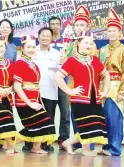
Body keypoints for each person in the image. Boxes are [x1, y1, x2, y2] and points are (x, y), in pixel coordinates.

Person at [55, 31, 110, 156]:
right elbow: (58, 77)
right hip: (79, 99)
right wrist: (70, 91)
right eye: (86, 42)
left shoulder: (95, 60)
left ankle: (68, 143)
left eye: (91, 43)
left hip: (94, 98)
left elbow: (106, 76)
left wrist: (105, 91)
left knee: (94, 125)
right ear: (78, 43)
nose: (89, 45)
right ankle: (85, 149)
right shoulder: (72, 60)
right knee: (86, 125)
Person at [13, 35, 57, 154]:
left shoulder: (35, 66)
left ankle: (31, 146)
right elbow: (17, 87)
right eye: (28, 47)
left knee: (44, 122)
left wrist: (39, 102)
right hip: (23, 102)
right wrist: (29, 103)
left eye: (33, 47)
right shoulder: (19, 64)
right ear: (22, 48)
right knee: (41, 122)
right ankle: (12, 143)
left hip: (35, 101)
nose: (32, 49)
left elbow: (37, 88)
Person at [98, 8, 124, 156]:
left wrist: (122, 91)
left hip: (116, 86)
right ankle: (106, 146)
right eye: (109, 30)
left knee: (115, 119)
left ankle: (115, 148)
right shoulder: (102, 49)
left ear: (120, 33)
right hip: (102, 87)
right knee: (104, 118)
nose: (111, 33)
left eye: (114, 30)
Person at [66, 5, 97, 151]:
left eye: (82, 24)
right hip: (73, 85)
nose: (79, 27)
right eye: (77, 24)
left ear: (88, 25)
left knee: (90, 117)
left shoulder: (92, 44)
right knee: (75, 116)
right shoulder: (70, 44)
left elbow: (96, 65)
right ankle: (77, 144)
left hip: (90, 85)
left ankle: (88, 146)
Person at [25, 27, 61, 152]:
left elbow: (61, 72)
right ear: (38, 37)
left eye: (48, 35)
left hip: (51, 91)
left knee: (49, 117)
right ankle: (29, 143)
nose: (45, 38)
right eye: (43, 35)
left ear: (52, 38)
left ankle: (46, 143)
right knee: (32, 118)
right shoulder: (32, 51)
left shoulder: (57, 54)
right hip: (34, 91)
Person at [48, 16, 71, 150]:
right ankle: (48, 139)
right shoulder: (45, 41)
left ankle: (64, 141)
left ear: (61, 26)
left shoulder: (67, 42)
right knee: (49, 113)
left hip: (64, 81)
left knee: (65, 114)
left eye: (57, 24)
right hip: (49, 82)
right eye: (52, 24)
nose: (55, 26)